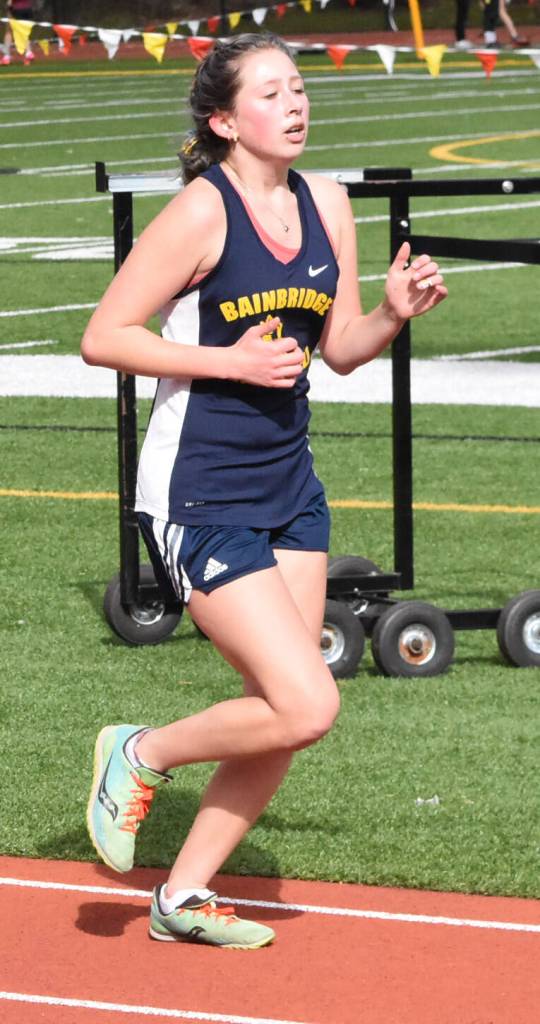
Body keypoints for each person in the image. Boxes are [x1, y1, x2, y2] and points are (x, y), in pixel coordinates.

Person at [82, 33, 447, 950]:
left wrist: (391, 318)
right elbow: (105, 335)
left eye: (300, 88)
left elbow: (341, 350)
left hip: (291, 485)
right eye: (273, 92)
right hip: (199, 490)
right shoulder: (203, 213)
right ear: (224, 119)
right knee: (308, 699)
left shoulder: (326, 202)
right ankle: (141, 751)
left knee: (279, 715)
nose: (296, 104)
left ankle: (184, 897)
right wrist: (228, 361)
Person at [1, 0, 35, 65]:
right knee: (24, 32)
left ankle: (6, 57)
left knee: (9, 31)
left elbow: (9, 3)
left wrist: (9, 5)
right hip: (28, 9)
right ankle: (29, 53)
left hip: (17, 9)